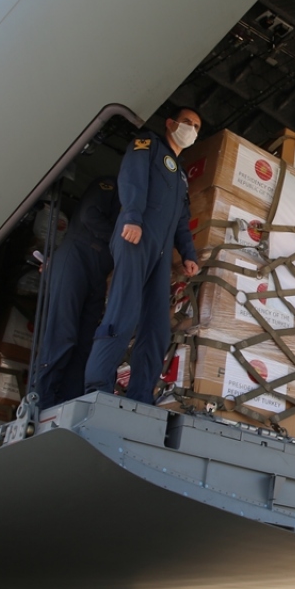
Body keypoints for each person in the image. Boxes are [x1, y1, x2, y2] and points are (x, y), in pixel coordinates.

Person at [84, 107, 202, 404]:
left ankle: (140, 397)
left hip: (161, 254)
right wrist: (133, 218)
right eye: (187, 122)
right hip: (136, 238)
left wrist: (188, 254)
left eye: (197, 127)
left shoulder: (181, 176)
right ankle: (96, 388)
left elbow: (181, 220)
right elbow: (132, 179)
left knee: (157, 328)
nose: (191, 129)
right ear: (171, 123)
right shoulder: (148, 144)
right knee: (123, 314)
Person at [31, 175, 120, 408]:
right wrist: (122, 241)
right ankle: (41, 399)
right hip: (77, 259)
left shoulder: (137, 202)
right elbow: (89, 214)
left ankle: (67, 402)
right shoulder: (109, 185)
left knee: (85, 342)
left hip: (98, 271)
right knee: (63, 331)